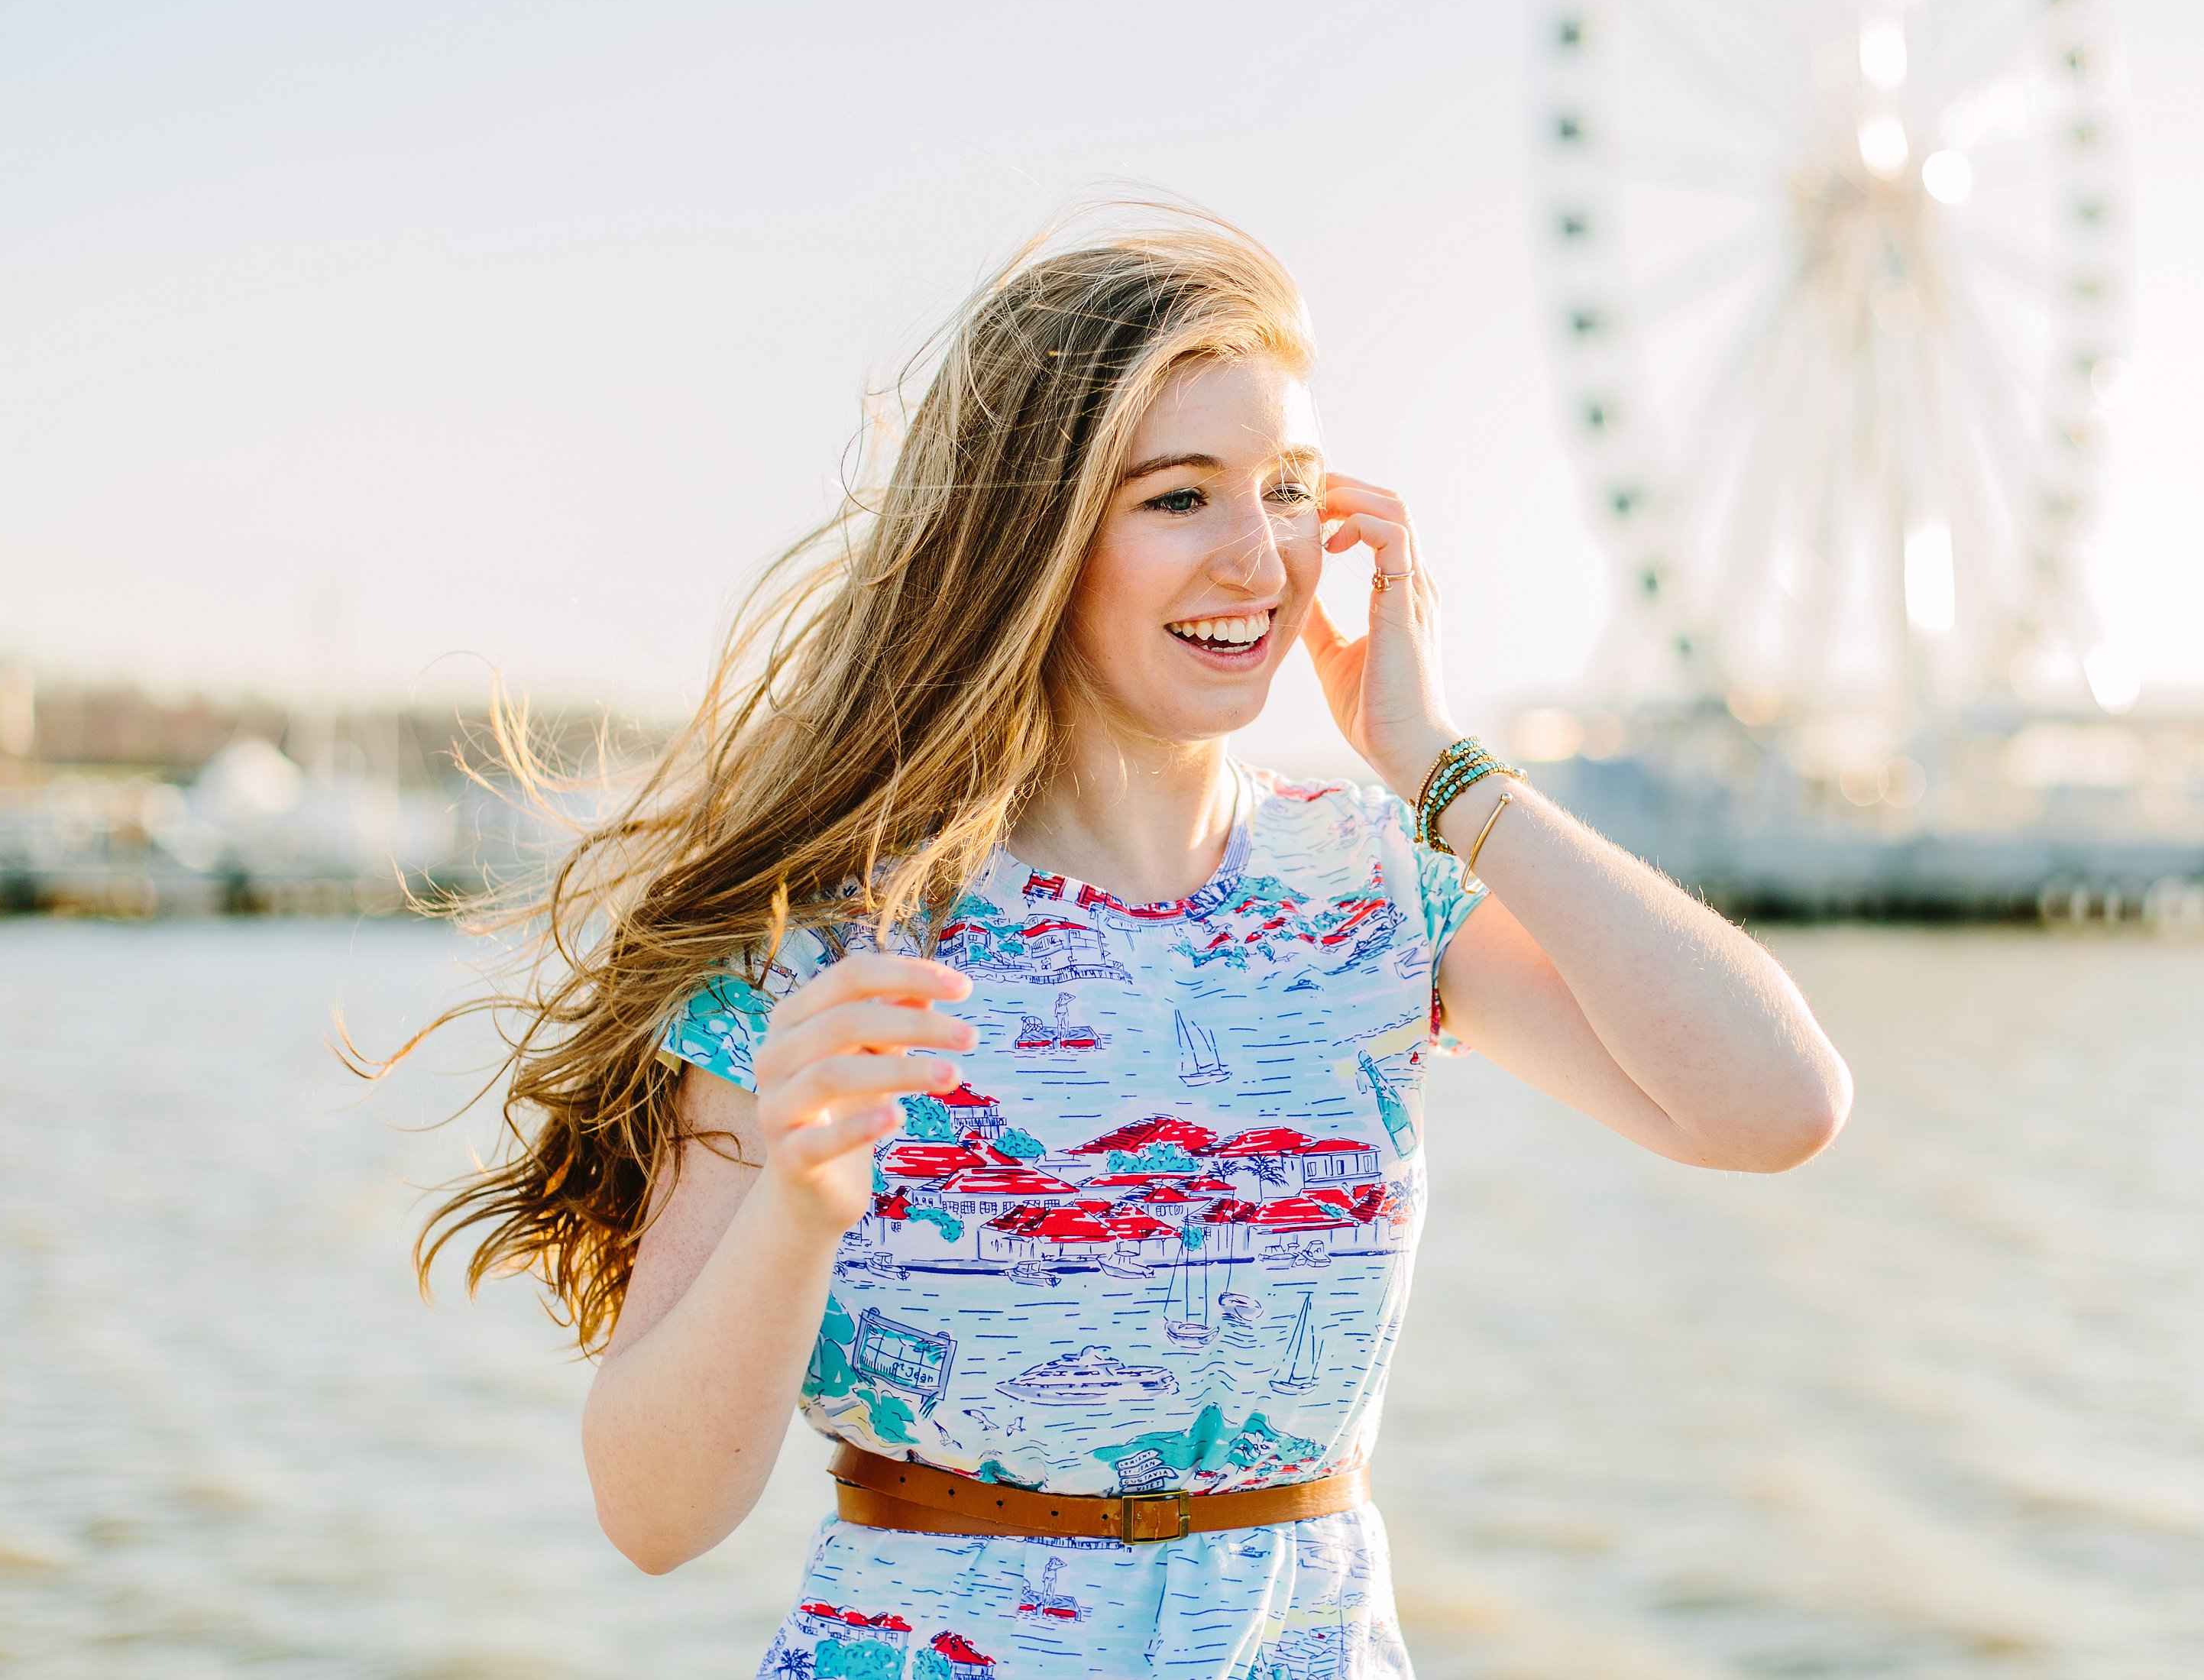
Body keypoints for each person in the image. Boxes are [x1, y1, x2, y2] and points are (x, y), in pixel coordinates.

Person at [411, 203, 1850, 1679]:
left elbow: (1776, 1104)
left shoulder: (1377, 889)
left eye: (1287, 489)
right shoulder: (822, 941)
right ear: (1036, 539)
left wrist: (1435, 767)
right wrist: (796, 1201)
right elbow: (653, 1515)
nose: (1260, 559)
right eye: (1179, 497)